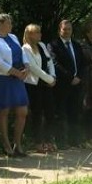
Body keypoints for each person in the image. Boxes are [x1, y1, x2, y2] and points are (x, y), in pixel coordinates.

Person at [0, 13, 29, 157]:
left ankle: (18, 143)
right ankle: (6, 144)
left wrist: (26, 67)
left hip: (18, 78)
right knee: (4, 112)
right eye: (8, 22)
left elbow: (22, 53)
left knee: (22, 111)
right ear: (0, 24)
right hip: (3, 78)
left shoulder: (14, 37)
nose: (11, 25)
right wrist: (15, 72)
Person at [50, 20, 87, 147]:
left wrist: (79, 77)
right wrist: (70, 77)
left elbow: (83, 63)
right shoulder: (54, 45)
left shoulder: (76, 45)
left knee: (75, 112)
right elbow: (55, 64)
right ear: (59, 30)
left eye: (69, 29)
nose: (67, 31)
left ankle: (75, 140)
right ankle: (61, 142)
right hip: (62, 84)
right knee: (60, 113)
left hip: (77, 84)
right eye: (64, 29)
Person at [21, 24, 56, 152]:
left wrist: (53, 76)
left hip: (46, 84)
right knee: (37, 113)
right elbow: (33, 68)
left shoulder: (41, 45)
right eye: (37, 32)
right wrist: (50, 79)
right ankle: (38, 142)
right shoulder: (25, 49)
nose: (40, 34)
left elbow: (49, 61)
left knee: (50, 112)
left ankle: (48, 140)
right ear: (30, 34)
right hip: (33, 85)